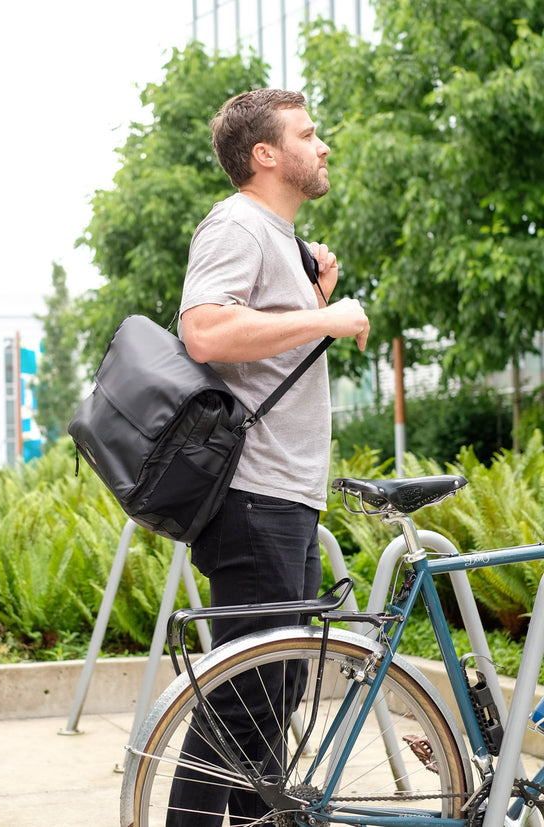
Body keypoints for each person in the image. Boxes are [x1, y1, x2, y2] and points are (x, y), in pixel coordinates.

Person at [167, 88, 370, 825]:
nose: (322, 146)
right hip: (253, 498)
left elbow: (258, 341)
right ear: (265, 154)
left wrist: (310, 293)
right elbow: (207, 333)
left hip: (281, 496)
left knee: (271, 695)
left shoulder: (274, 236)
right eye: (308, 134)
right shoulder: (238, 223)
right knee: (246, 696)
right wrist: (327, 315)